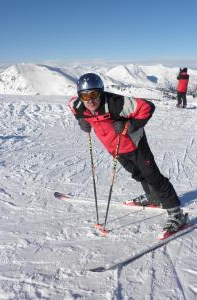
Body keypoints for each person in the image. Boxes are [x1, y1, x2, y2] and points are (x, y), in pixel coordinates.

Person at [68, 73, 187, 233]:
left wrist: (130, 125)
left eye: (94, 94)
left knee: (153, 176)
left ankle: (176, 212)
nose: (90, 100)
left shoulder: (116, 103)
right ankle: (152, 196)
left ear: (101, 92)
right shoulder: (78, 105)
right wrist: (81, 121)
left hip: (135, 145)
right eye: (85, 96)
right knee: (137, 174)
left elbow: (147, 107)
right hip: (114, 148)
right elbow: (73, 108)